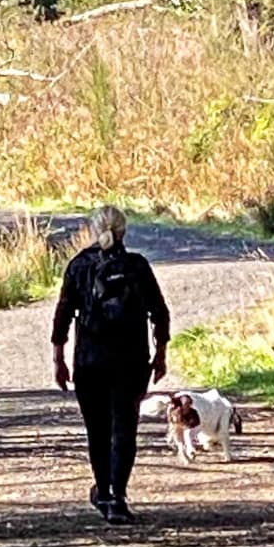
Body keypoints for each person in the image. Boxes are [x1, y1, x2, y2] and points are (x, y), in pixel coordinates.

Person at [51, 204, 170, 523]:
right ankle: (118, 497)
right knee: (125, 428)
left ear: (93, 230)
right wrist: (160, 354)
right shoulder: (137, 265)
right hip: (131, 360)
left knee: (98, 430)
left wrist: (59, 359)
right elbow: (160, 312)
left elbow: (63, 314)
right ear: (124, 231)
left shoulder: (80, 266)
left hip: (90, 360)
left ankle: (102, 491)